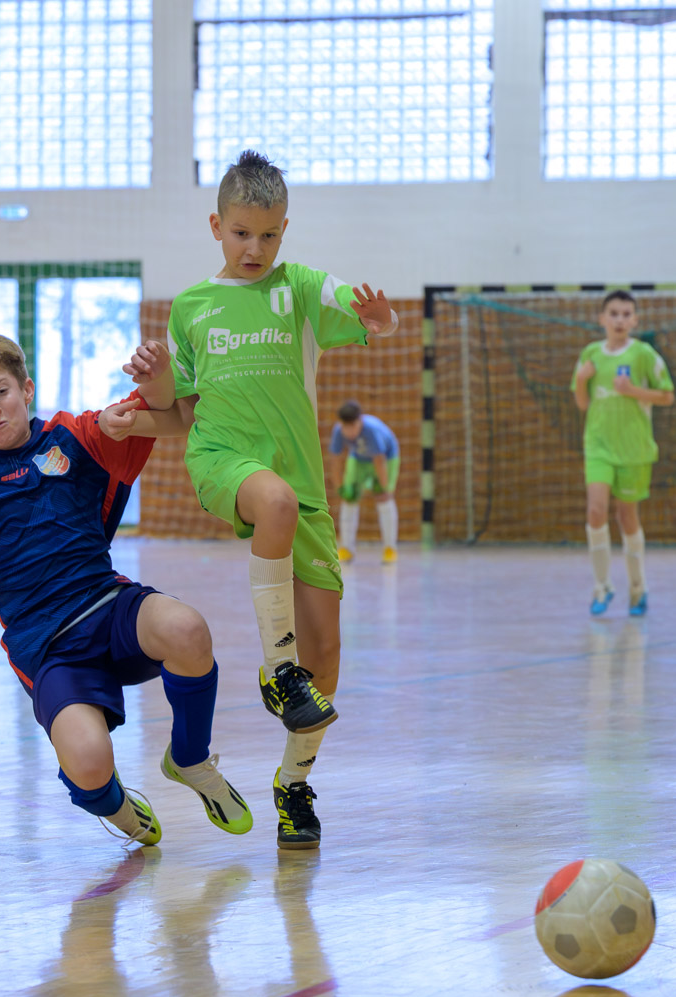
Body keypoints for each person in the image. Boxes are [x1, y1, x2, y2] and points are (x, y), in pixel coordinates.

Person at [0, 333, 251, 847]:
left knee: (187, 628)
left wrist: (157, 374)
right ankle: (113, 803)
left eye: (0, 391)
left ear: (26, 389)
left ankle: (190, 758)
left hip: (109, 606)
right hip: (48, 648)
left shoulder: (76, 436)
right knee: (89, 762)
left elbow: (164, 409)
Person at [144, 149, 398, 850]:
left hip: (301, 481)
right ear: (216, 226)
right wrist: (152, 384)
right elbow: (178, 406)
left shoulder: (301, 289)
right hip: (223, 459)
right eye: (240, 233)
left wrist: (380, 322)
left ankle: (293, 784)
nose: (253, 248)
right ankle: (277, 669)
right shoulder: (193, 306)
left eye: (267, 234)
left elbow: (361, 314)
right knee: (275, 503)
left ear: (284, 229)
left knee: (328, 658)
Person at [571, 290, 675, 618]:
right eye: (613, 314)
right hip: (598, 446)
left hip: (633, 449)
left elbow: (667, 396)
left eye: (626, 314)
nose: (619, 320)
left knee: (627, 517)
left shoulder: (643, 354)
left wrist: (633, 391)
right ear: (602, 319)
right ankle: (602, 587)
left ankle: (637, 588)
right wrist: (581, 380)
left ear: (635, 320)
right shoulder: (591, 354)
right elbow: (582, 403)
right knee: (595, 511)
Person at [329, 401, 401, 564]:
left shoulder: (371, 430)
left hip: (386, 458)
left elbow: (379, 460)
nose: (349, 431)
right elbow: (335, 460)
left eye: (353, 426)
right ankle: (346, 548)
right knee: (349, 499)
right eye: (346, 426)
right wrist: (340, 487)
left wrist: (383, 485)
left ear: (360, 420)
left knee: (384, 498)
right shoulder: (338, 431)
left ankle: (390, 548)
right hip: (358, 459)